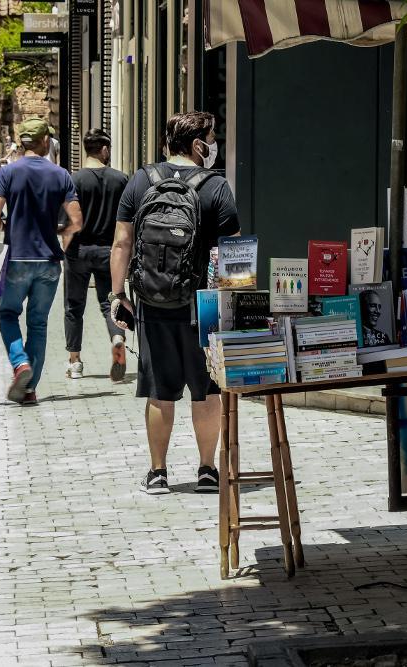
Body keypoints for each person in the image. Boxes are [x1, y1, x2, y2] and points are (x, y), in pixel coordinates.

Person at [109, 110, 240, 495]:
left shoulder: (141, 180)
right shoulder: (215, 187)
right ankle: (206, 470)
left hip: (152, 301)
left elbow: (121, 243)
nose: (215, 143)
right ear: (199, 144)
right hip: (204, 306)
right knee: (208, 391)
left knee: (158, 390)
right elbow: (233, 251)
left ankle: (157, 472)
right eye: (212, 137)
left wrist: (119, 296)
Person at [0, 118, 82, 406]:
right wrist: (59, 231)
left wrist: (8, 226)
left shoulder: (8, 172)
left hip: (16, 258)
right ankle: (29, 390)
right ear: (44, 142)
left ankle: (20, 365)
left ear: (22, 141)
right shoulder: (61, 174)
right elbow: (76, 221)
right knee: (38, 323)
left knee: (7, 315)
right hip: (50, 260)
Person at [63, 129, 129, 381]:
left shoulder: (74, 180)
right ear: (104, 150)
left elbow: (68, 220)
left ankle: (75, 361)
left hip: (78, 250)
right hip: (108, 250)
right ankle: (117, 338)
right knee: (109, 301)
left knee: (73, 306)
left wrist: (64, 247)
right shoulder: (120, 179)